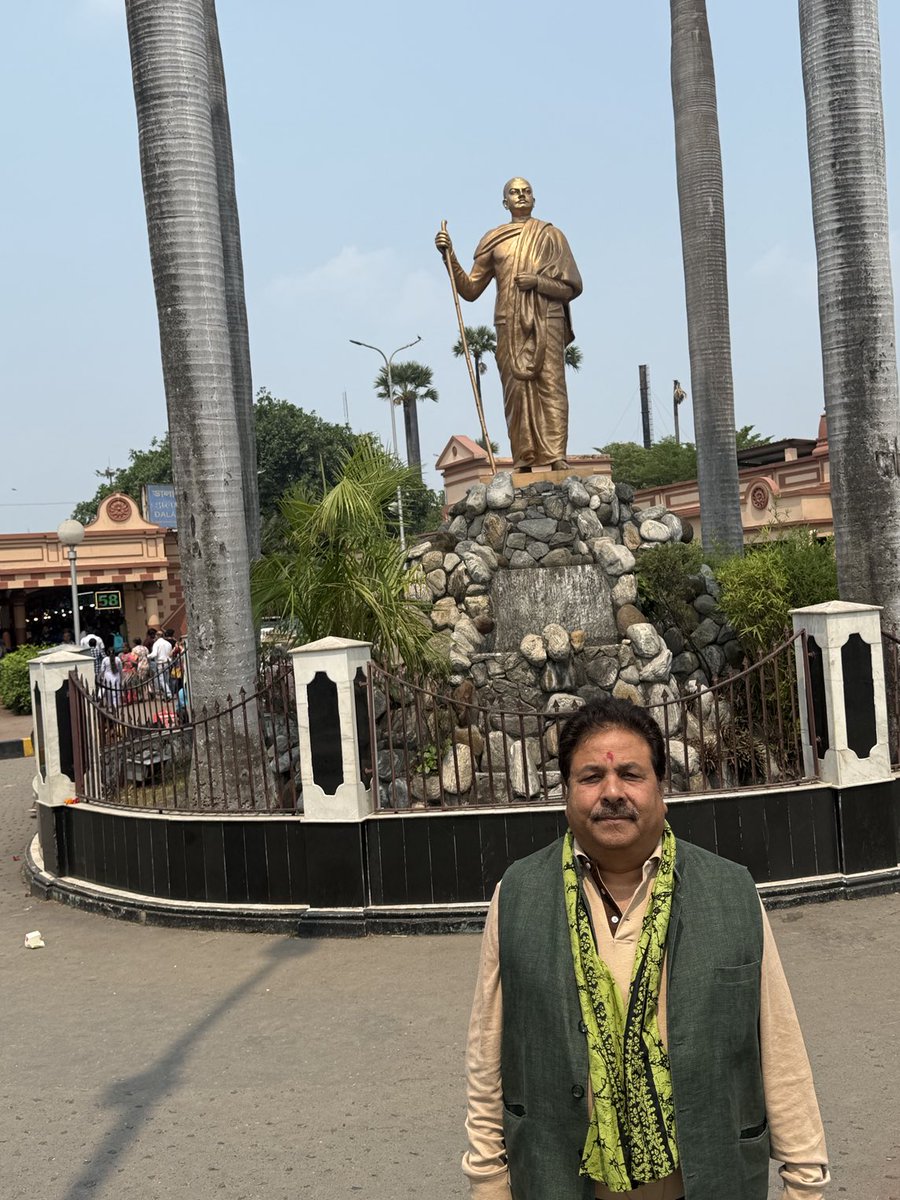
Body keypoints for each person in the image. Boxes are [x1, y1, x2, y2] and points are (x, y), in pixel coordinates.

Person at [463, 694, 829, 1200]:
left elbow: (779, 1048)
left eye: (630, 774)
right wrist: (488, 1182)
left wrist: (804, 1182)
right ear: (566, 792)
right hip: (556, 1184)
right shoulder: (519, 895)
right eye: (591, 777)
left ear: (661, 787)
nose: (612, 792)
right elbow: (487, 1056)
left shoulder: (730, 892)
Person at [435, 178, 582, 470]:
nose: (521, 196)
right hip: (508, 322)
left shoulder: (552, 236)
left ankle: (556, 456)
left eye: (527, 192)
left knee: (552, 385)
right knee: (515, 392)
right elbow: (470, 290)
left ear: (534, 199)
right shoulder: (494, 240)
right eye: (515, 192)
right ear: (505, 202)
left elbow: (571, 287)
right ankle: (523, 458)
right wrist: (449, 256)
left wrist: (537, 282)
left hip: (547, 319)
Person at [148, 628, 173, 697]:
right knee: (166, 679)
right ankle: (166, 694)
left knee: (162, 680)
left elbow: (154, 654)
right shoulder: (168, 644)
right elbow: (170, 654)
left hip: (160, 663)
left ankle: (168, 694)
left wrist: (147, 656)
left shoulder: (156, 644)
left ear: (157, 636)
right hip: (168, 662)